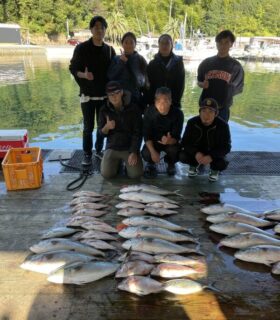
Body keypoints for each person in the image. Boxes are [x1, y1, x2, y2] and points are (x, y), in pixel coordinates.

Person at [69, 16, 116, 166]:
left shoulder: (109, 50)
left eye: (102, 27)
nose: (99, 30)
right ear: (91, 29)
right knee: (88, 127)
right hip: (87, 96)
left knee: (103, 127)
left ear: (105, 30)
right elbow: (73, 68)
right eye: (96, 27)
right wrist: (84, 75)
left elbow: (115, 72)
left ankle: (99, 151)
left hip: (104, 97)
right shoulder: (81, 48)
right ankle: (87, 154)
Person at [98, 81, 143, 179]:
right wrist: (106, 127)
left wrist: (134, 151)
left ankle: (126, 165)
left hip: (129, 148)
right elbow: (101, 133)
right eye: (111, 94)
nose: (114, 97)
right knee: (107, 174)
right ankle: (117, 164)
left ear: (122, 92)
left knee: (136, 175)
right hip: (112, 147)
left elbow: (138, 132)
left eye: (117, 93)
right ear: (107, 96)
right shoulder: (103, 110)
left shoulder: (134, 108)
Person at [179, 98, 231, 182]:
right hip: (197, 151)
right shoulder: (192, 122)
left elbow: (226, 147)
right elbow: (184, 142)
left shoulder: (223, 126)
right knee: (182, 155)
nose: (206, 115)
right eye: (203, 111)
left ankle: (214, 170)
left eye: (210, 111)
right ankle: (193, 165)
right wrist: (196, 153)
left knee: (222, 163)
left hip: (213, 152)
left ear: (216, 114)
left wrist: (211, 156)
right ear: (199, 112)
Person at [197, 30, 244, 122]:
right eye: (220, 42)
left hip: (222, 109)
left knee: (220, 135)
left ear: (231, 44)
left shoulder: (236, 66)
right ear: (216, 44)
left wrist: (225, 90)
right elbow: (199, 81)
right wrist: (202, 84)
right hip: (205, 107)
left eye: (226, 42)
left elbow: (238, 88)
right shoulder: (206, 63)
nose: (223, 45)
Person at [142, 87, 184, 178]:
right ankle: (151, 164)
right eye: (159, 101)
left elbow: (177, 137)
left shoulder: (178, 114)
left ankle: (171, 163)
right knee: (146, 153)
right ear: (155, 101)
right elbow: (146, 135)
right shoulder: (149, 111)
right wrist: (153, 152)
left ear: (171, 101)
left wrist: (170, 141)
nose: (162, 105)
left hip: (169, 142)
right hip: (154, 141)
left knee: (175, 151)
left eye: (165, 101)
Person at [107, 32, 148, 112]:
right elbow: (110, 76)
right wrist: (121, 63)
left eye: (131, 42)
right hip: (118, 100)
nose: (128, 45)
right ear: (122, 44)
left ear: (135, 44)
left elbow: (141, 82)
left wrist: (128, 63)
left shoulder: (140, 60)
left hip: (135, 99)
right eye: (126, 42)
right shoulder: (116, 59)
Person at [146, 34, 185, 109]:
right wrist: (152, 102)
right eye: (162, 43)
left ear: (171, 45)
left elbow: (181, 85)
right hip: (156, 104)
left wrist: (174, 102)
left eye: (167, 43)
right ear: (159, 45)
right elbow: (150, 86)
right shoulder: (152, 64)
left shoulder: (178, 63)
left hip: (173, 103)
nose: (164, 46)